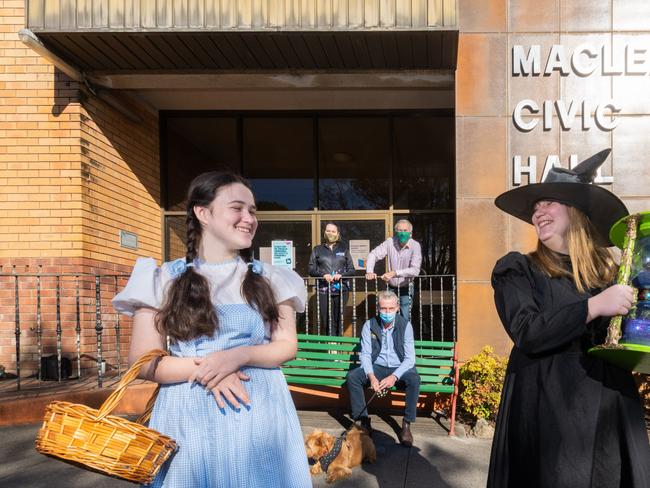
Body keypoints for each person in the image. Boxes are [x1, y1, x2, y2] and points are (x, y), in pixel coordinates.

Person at [112, 172, 312, 488]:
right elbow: (143, 359)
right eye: (237, 208)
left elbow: (286, 344)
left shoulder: (272, 278)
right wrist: (209, 368)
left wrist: (237, 356)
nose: (249, 218)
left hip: (259, 415)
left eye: (253, 210)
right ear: (203, 213)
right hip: (189, 417)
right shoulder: (162, 278)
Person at [488, 149, 650, 488]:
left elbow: (627, 341)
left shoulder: (611, 274)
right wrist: (592, 308)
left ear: (576, 212)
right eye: (535, 207)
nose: (538, 212)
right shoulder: (519, 269)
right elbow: (527, 331)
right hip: (547, 415)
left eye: (548, 203)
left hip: (607, 412)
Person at [346, 290, 420, 447]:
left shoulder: (405, 326)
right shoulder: (369, 325)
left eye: (390, 308)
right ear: (378, 308)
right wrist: (371, 376)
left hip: (399, 366)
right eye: (384, 309)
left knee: (414, 379)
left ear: (397, 308)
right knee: (353, 377)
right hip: (377, 366)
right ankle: (364, 421)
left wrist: (394, 376)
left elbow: (410, 359)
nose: (387, 312)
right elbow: (365, 354)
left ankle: (406, 424)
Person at [366, 219, 422, 319]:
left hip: (406, 288)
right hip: (391, 287)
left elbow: (415, 270)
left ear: (410, 233)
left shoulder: (415, 245)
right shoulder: (390, 242)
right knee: (387, 316)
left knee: (405, 317)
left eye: (405, 230)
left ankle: (404, 335)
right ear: (396, 231)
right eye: (400, 230)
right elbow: (373, 254)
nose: (402, 233)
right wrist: (369, 271)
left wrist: (395, 273)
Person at [308, 222, 355, 336]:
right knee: (326, 320)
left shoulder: (344, 250)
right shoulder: (317, 250)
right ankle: (330, 346)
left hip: (341, 289)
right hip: (324, 290)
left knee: (339, 319)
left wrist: (342, 275)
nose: (330, 233)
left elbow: (352, 270)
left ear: (338, 234)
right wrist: (323, 275)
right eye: (328, 231)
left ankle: (337, 346)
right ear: (324, 233)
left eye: (333, 231)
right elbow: (311, 269)